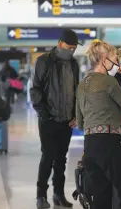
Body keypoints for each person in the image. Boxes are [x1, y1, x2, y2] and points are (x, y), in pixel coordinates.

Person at [76, 40, 121, 209]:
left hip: (89, 146)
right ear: (104, 60)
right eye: (115, 60)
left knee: (100, 196)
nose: (117, 64)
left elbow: (80, 122)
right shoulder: (109, 82)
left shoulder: (81, 86)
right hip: (109, 144)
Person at [30, 29, 80, 209]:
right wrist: (44, 114)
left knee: (61, 159)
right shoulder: (44, 61)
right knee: (48, 157)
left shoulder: (74, 64)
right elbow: (35, 89)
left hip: (67, 121)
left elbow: (77, 91)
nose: (72, 50)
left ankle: (58, 194)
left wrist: (76, 114)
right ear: (60, 44)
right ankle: (40, 195)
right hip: (49, 120)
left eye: (74, 48)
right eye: (69, 47)